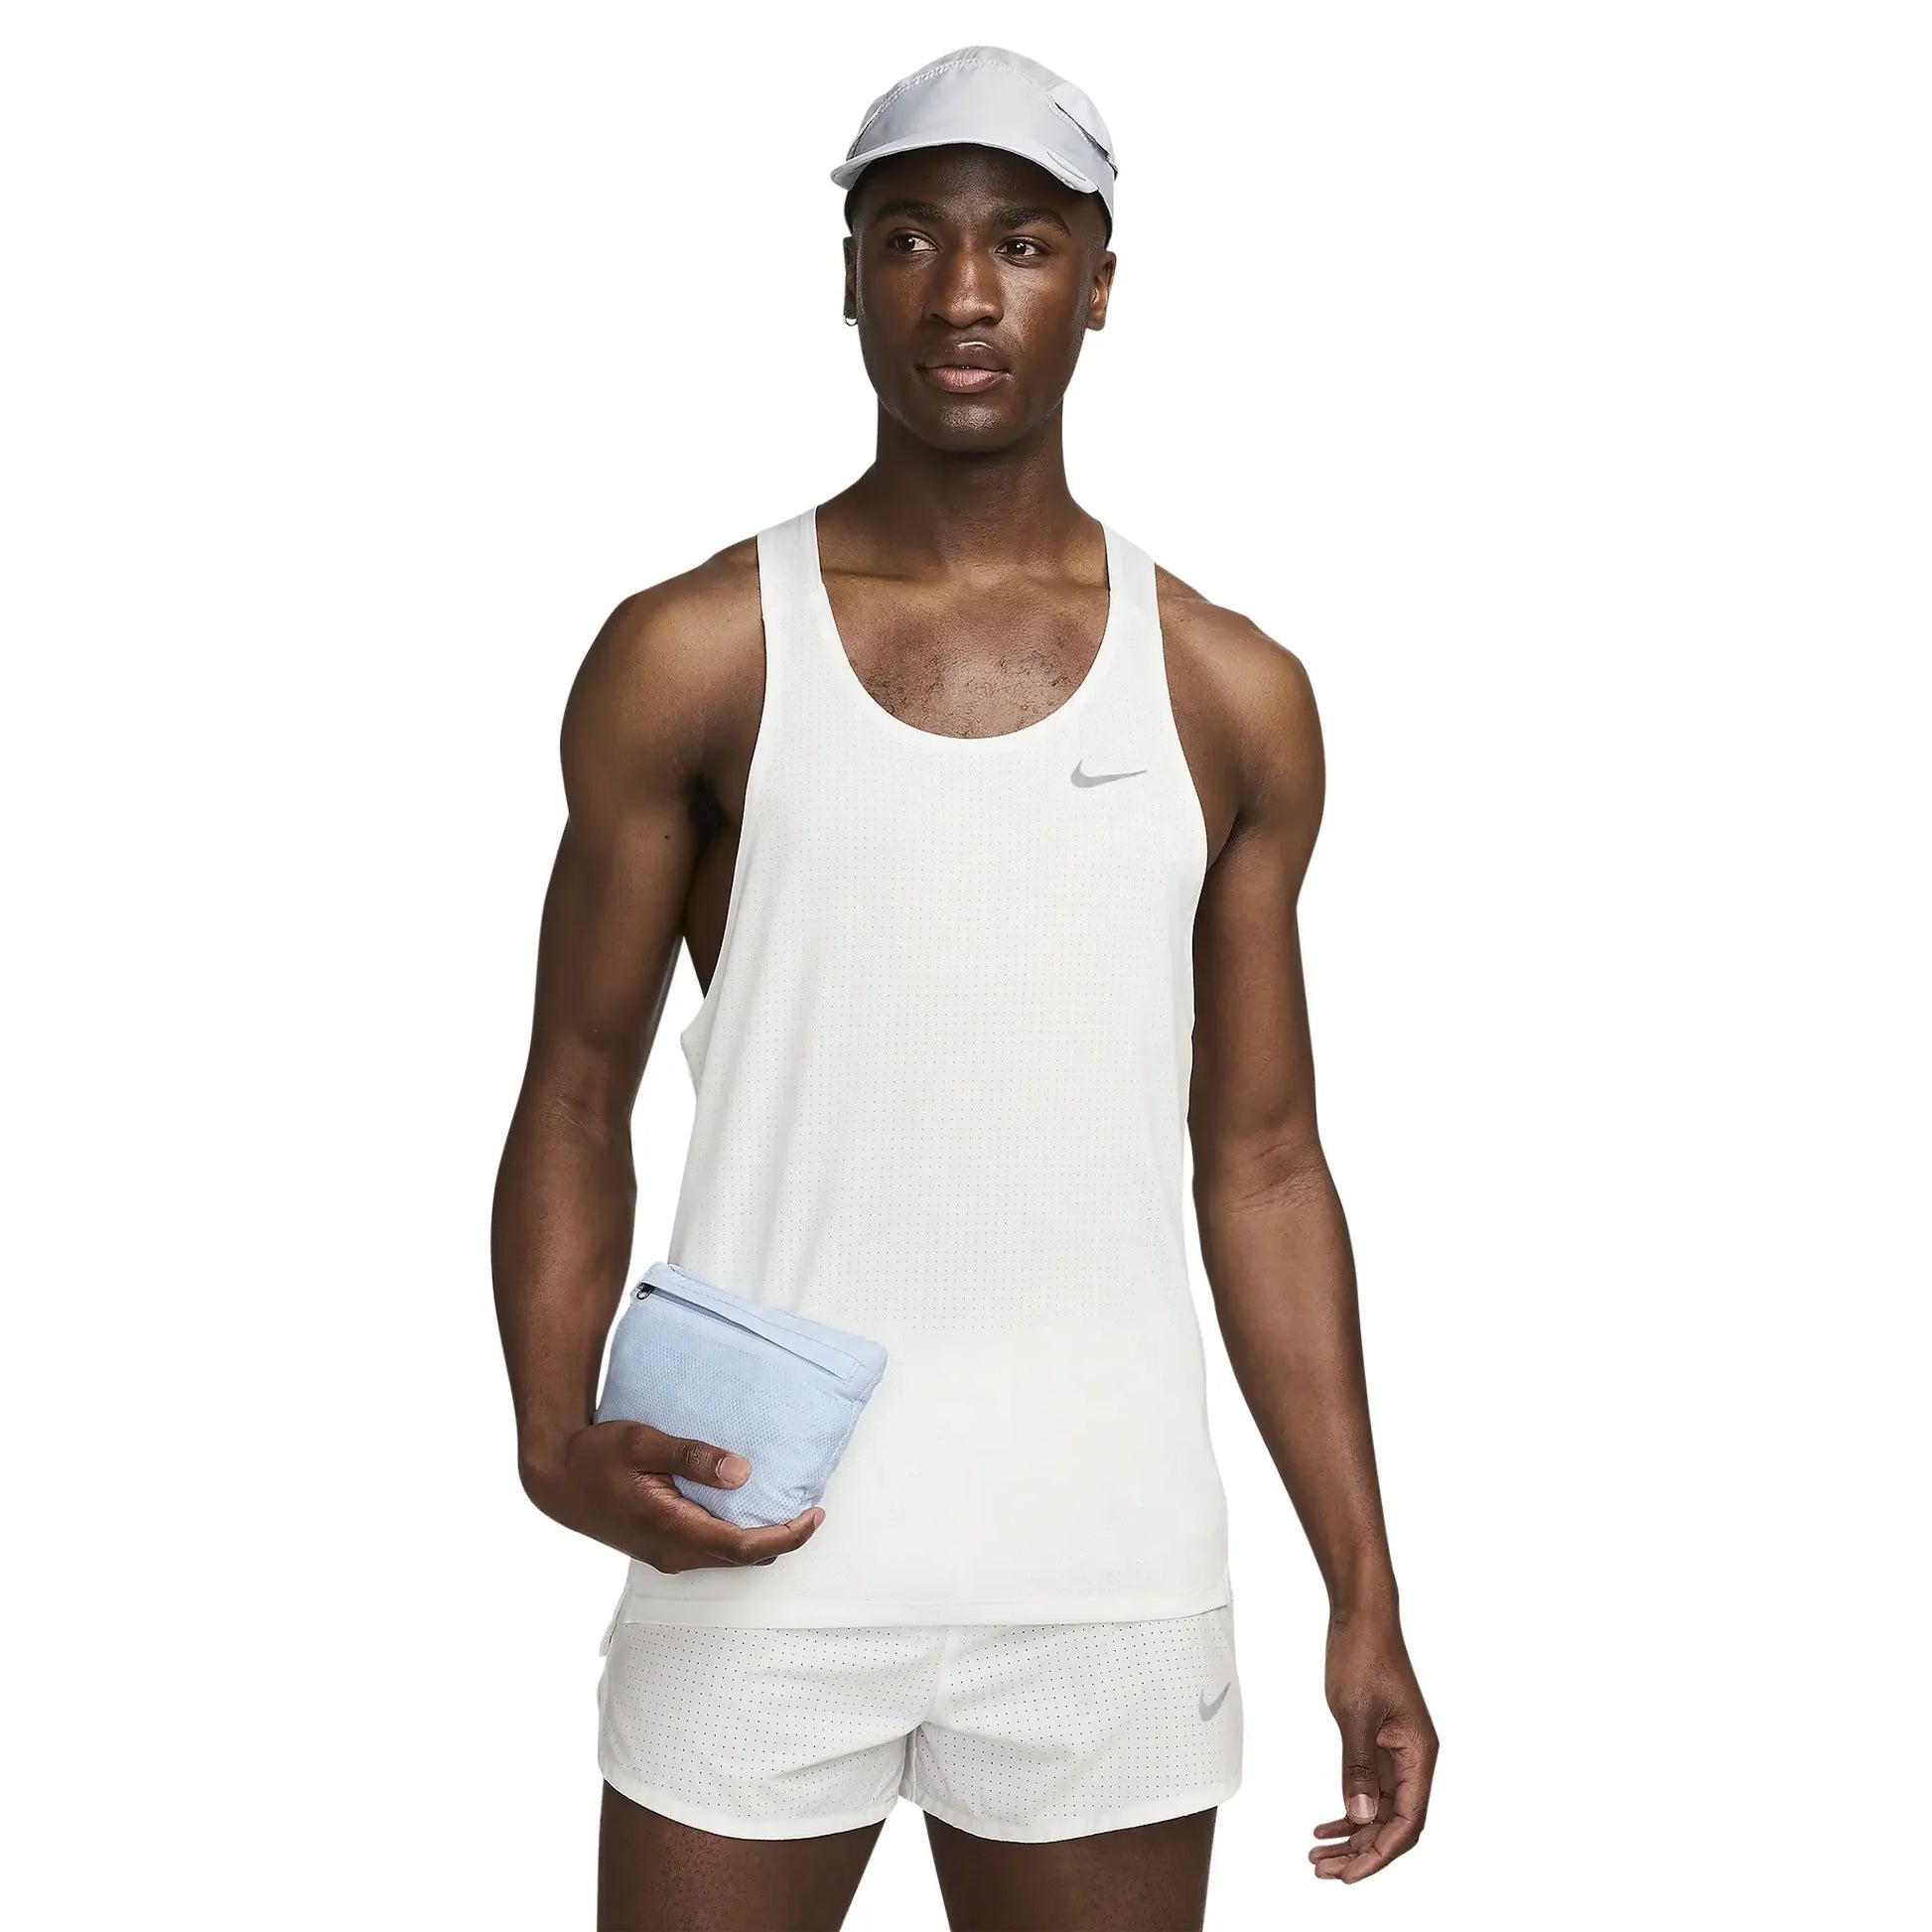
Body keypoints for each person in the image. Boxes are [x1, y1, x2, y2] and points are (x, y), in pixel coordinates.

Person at [492, 44, 1438, 1930]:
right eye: (909, 237)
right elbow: (574, 1091)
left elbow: (1261, 1161)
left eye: (1020, 242)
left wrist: (1364, 1587)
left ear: (1099, 281)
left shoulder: (1227, 691)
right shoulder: (695, 651)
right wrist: (546, 1437)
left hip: (1103, 1570)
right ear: (847, 277)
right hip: (752, 1528)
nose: (961, 293)